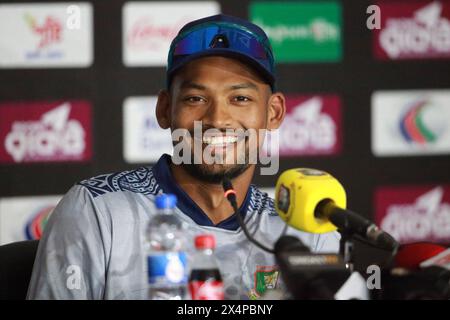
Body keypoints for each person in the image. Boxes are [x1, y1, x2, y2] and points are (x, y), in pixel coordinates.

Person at [27, 14, 339, 300]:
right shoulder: (97, 210)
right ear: (165, 109)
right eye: (196, 98)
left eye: (240, 98)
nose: (217, 119)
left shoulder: (303, 234)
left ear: (274, 112)